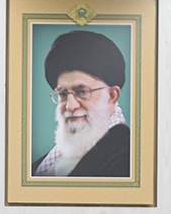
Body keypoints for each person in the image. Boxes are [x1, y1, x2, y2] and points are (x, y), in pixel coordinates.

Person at [31, 29, 131, 179]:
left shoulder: (129, 157)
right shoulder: (41, 165)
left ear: (111, 95)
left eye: (82, 92)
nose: (70, 106)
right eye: (63, 94)